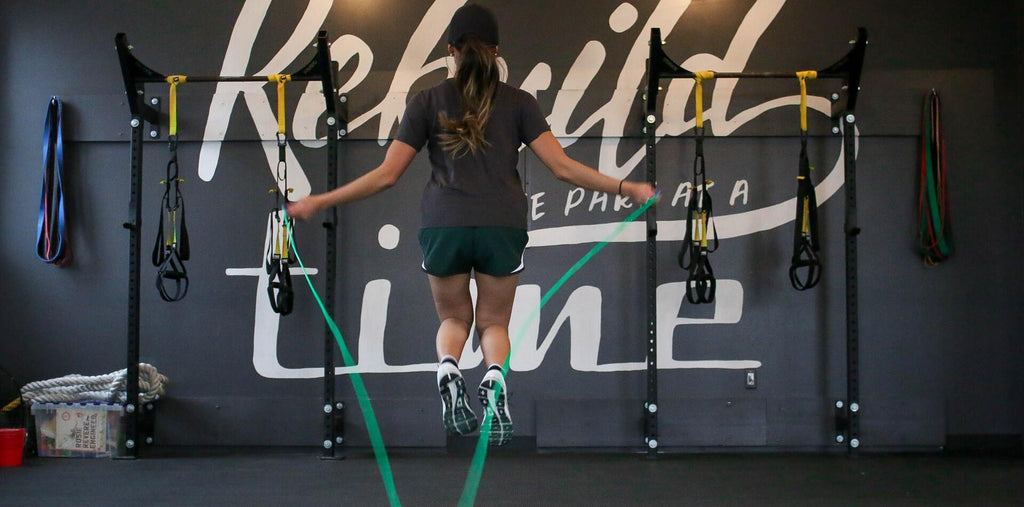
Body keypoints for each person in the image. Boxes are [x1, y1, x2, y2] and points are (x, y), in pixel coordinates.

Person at [287, 3, 657, 446]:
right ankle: (494, 378)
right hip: (502, 224)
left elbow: (387, 176)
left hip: (444, 225)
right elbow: (562, 168)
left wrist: (320, 200)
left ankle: (448, 368)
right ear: (496, 51)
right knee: (494, 323)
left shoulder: (427, 101)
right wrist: (625, 187)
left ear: (450, 51)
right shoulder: (519, 102)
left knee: (453, 317)